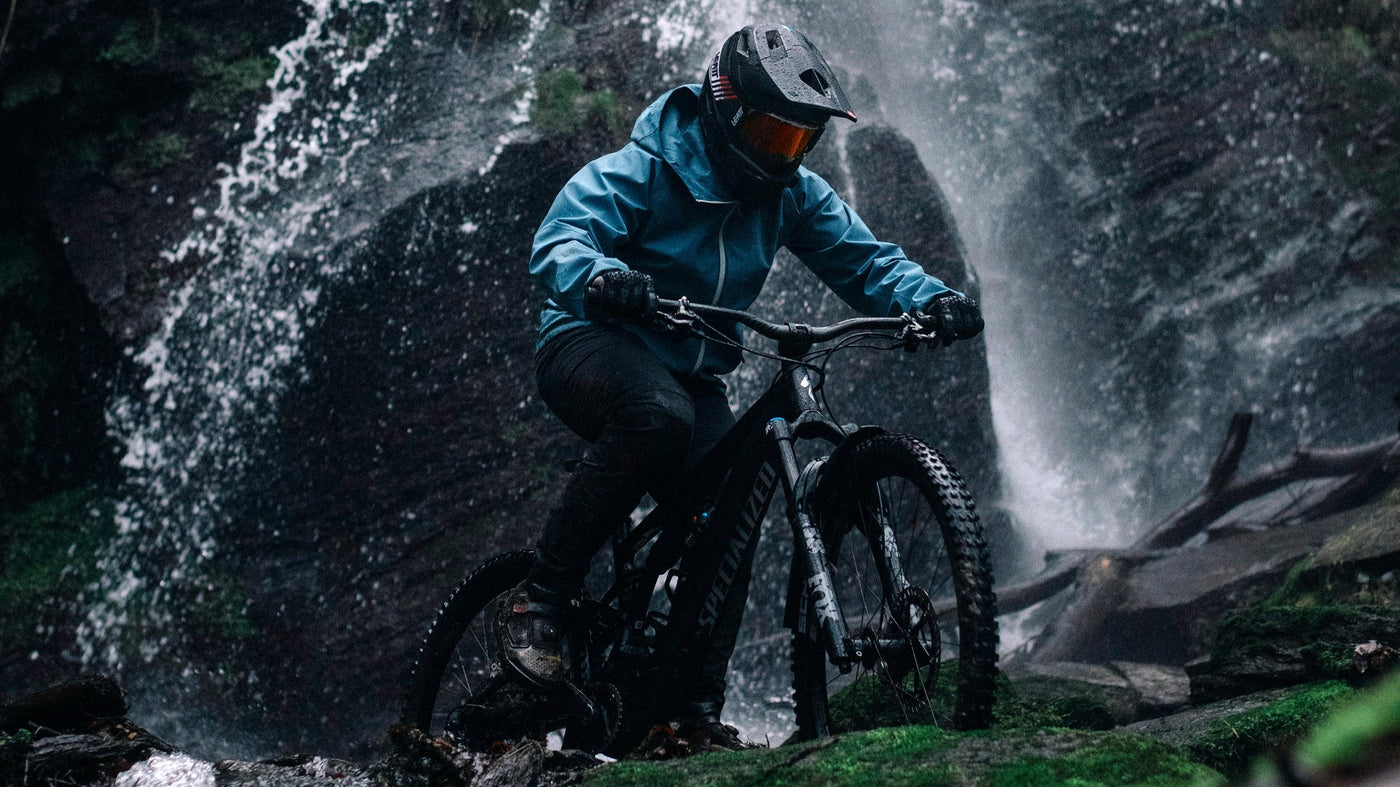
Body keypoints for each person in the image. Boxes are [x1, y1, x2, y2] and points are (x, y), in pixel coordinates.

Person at [495, 22, 984, 745]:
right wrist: (602, 276)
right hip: (589, 341)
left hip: (693, 373)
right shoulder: (646, 168)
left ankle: (688, 707)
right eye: (770, 132)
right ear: (724, 109)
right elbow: (560, 237)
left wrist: (929, 298)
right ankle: (541, 601)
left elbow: (866, 262)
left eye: (797, 141)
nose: (780, 153)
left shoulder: (793, 194)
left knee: (733, 513)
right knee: (658, 416)